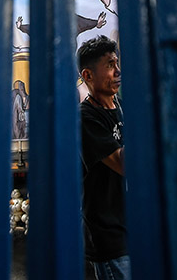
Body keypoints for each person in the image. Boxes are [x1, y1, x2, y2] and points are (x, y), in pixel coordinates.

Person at [77, 36, 129, 280]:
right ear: (88, 75)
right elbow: (124, 164)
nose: (117, 71)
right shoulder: (86, 118)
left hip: (133, 227)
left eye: (117, 63)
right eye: (109, 65)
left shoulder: (122, 107)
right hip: (109, 237)